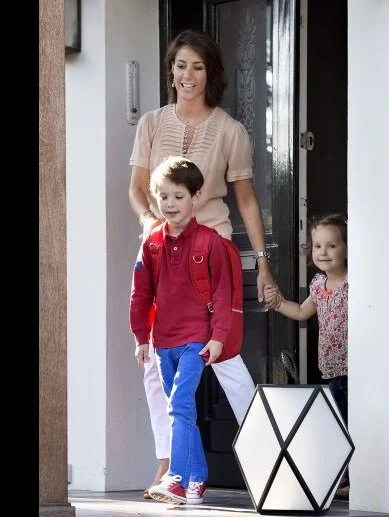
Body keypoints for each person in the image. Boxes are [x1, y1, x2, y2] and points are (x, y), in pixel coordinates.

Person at [128, 28, 278, 497]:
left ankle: (272, 459)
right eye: (180, 65)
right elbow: (136, 189)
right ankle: (170, 465)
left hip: (209, 248)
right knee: (154, 359)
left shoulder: (231, 131)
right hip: (158, 248)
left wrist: (263, 264)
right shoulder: (151, 123)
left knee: (225, 355)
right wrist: (154, 223)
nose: (187, 75)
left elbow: (247, 201)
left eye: (197, 66)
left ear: (210, 73)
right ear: (170, 70)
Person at [130, 156, 237, 505]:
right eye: (163, 197)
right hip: (162, 341)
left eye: (178, 196)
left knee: (179, 404)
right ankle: (198, 477)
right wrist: (140, 337)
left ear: (196, 197)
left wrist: (218, 336)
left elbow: (223, 293)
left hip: (196, 340)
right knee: (181, 409)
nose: (169, 204)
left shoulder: (210, 242)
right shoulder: (152, 243)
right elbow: (141, 293)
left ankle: (175, 479)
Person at [264, 213, 349, 497]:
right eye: (318, 246)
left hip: (357, 369)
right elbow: (301, 312)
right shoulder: (318, 285)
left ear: (347, 248)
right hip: (332, 370)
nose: (323, 252)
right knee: (339, 425)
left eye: (332, 245)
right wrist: (277, 303)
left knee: (353, 423)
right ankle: (345, 479)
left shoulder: (354, 282)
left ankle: (357, 480)